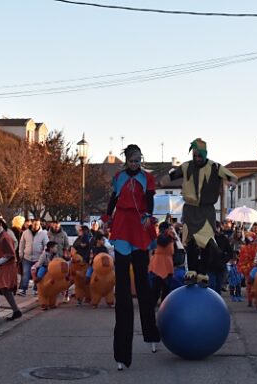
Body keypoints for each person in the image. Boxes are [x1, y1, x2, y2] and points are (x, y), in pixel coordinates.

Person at [103, 144, 160, 371]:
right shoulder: (119, 177)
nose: (135, 164)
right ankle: (122, 354)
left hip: (140, 227)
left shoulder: (148, 178)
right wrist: (108, 216)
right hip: (122, 227)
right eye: (131, 161)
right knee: (123, 293)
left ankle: (151, 334)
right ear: (126, 161)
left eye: (138, 160)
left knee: (144, 286)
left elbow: (150, 200)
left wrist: (148, 215)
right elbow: (113, 200)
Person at [164, 138, 238, 287]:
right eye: (195, 156)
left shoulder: (216, 167)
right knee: (190, 241)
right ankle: (191, 272)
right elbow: (173, 175)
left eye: (200, 156)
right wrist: (165, 179)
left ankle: (203, 274)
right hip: (190, 208)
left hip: (206, 209)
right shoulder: (186, 167)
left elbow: (232, 176)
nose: (197, 159)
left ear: (205, 155)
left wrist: (232, 182)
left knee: (206, 241)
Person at [18, 218, 49, 297]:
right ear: (31, 224)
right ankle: (22, 289)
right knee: (26, 273)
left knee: (38, 274)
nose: (36, 226)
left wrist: (44, 255)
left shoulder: (43, 233)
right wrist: (20, 254)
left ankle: (36, 289)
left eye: (38, 224)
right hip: (27, 257)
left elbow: (46, 245)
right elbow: (21, 244)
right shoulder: (25, 232)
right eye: (34, 224)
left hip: (38, 258)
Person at [149, 222, 175, 307]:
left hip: (167, 264)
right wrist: (170, 236)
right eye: (169, 228)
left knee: (166, 288)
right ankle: (151, 305)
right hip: (158, 264)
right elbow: (163, 242)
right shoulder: (160, 237)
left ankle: (164, 306)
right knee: (156, 288)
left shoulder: (171, 237)